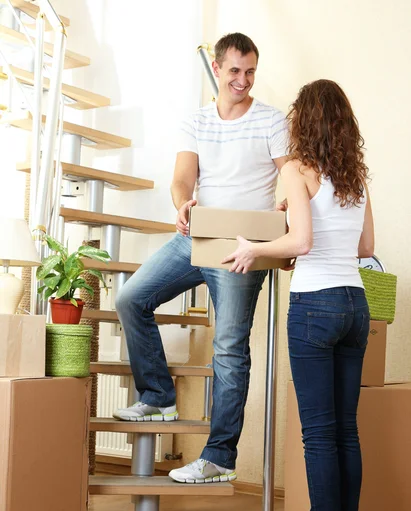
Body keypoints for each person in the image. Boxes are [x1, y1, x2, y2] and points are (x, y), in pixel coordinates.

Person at [113, 32, 289, 484]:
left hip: (243, 247)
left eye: (250, 72)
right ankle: (158, 396)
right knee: (131, 298)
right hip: (199, 235)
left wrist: (286, 214)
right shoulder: (197, 121)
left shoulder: (272, 120)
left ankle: (219, 458)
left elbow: (292, 178)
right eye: (234, 71)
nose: (243, 80)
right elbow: (181, 179)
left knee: (229, 350)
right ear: (216, 68)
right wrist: (183, 204)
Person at [224, 79, 375, 511]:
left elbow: (303, 243)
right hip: (355, 303)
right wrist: (297, 230)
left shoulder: (297, 168)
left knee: (318, 435)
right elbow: (363, 244)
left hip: (314, 306)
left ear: (302, 122)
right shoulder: (353, 177)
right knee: (345, 433)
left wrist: (256, 249)